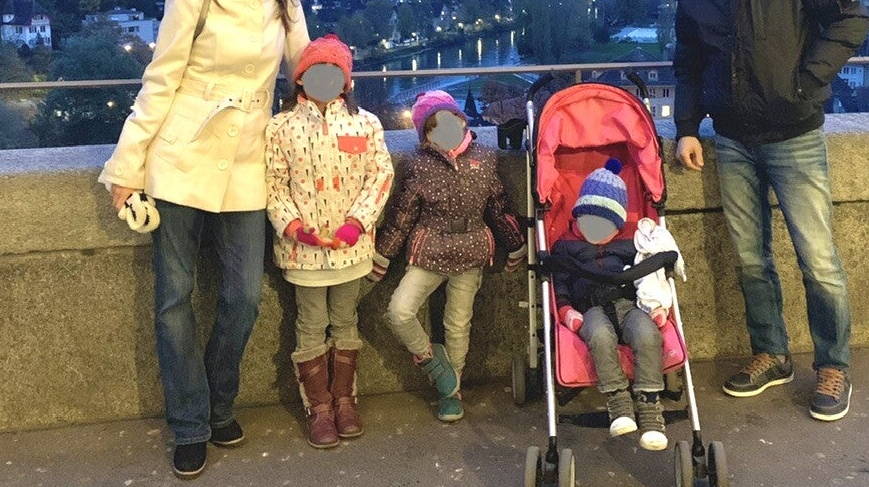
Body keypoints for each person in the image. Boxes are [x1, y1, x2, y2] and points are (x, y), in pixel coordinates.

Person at [99, 0, 308, 478]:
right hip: (181, 159)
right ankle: (191, 423)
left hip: (247, 165)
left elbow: (306, 72)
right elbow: (159, 82)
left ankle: (219, 401)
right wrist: (126, 167)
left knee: (244, 296)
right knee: (174, 299)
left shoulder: (286, 3)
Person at [673, 0, 869, 422]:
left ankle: (833, 365)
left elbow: (851, 19)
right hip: (732, 137)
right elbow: (688, 63)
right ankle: (772, 353)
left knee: (818, 259)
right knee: (750, 258)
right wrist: (687, 127)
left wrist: (805, 82)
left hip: (795, 134)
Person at [265, 34, 395, 449]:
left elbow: (381, 176)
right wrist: (293, 227)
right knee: (310, 324)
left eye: (333, 72)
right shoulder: (280, 127)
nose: (325, 79)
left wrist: (358, 223)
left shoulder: (366, 123)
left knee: (345, 320)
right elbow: (273, 184)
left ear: (346, 81)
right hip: (302, 252)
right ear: (300, 79)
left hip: (351, 249)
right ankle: (318, 407)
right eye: (316, 71)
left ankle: (344, 400)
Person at [378, 90, 525, 422]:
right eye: (434, 127)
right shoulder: (419, 164)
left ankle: (451, 390)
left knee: (458, 324)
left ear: (461, 120)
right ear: (425, 135)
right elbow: (403, 214)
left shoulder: (485, 158)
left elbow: (498, 207)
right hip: (430, 249)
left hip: (471, 250)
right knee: (400, 310)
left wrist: (515, 243)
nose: (444, 131)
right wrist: (385, 253)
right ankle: (433, 360)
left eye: (450, 121)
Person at [552, 159, 668, 451]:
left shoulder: (632, 243)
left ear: (618, 225)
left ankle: (650, 410)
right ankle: (619, 402)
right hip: (590, 307)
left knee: (647, 335)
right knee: (600, 336)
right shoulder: (566, 246)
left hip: (630, 304)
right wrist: (566, 311)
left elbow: (649, 276)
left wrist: (657, 304)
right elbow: (560, 282)